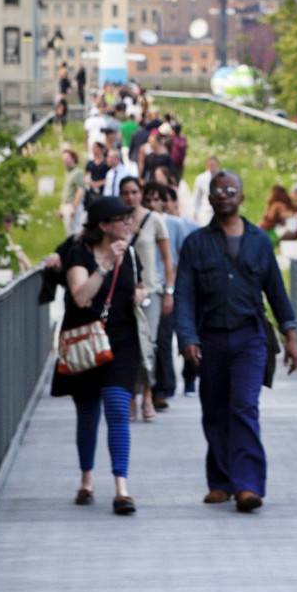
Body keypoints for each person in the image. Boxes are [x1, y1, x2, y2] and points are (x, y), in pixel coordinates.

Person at [174, 170, 297, 512]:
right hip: (210, 337)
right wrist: (187, 337)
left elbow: (276, 290)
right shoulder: (195, 243)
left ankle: (247, 485)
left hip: (250, 337)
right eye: (217, 190)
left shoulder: (260, 241)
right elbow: (183, 296)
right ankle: (220, 481)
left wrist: (291, 334)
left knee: (244, 406)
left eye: (231, 190)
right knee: (214, 409)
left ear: (241, 197)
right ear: (210, 199)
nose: (224, 194)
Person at [43, 196, 145, 515]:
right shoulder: (79, 254)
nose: (128, 224)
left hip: (122, 341)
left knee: (117, 407)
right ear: (103, 226)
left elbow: (138, 286)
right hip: (85, 342)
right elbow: (81, 297)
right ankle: (86, 478)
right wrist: (104, 266)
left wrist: (141, 293)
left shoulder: (129, 252)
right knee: (88, 414)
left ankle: (121, 488)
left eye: (129, 219)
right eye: (122, 220)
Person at [119, 176, 174, 423]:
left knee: (148, 346)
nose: (130, 197)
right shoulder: (117, 221)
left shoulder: (155, 220)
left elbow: (167, 259)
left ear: (140, 193)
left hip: (151, 291)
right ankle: (131, 396)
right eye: (125, 193)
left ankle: (148, 394)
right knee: (129, 347)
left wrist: (169, 291)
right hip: (125, 294)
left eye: (133, 192)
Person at [148, 183, 198, 408]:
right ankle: (147, 387)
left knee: (166, 338)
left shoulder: (176, 225)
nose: (152, 204)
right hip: (145, 289)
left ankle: (166, 386)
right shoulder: (136, 222)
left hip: (170, 288)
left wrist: (172, 289)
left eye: (157, 199)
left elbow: (179, 258)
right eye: (147, 199)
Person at [59, 148, 88, 233]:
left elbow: (81, 190)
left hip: (73, 205)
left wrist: (74, 207)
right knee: (69, 231)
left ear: (73, 159)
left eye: (67, 158)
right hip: (67, 205)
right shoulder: (68, 173)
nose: (64, 161)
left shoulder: (77, 172)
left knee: (75, 231)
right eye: (63, 159)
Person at [190, 156, 220, 226]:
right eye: (210, 165)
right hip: (206, 210)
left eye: (213, 165)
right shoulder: (201, 179)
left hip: (219, 209)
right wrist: (195, 212)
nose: (212, 167)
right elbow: (196, 196)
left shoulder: (223, 177)